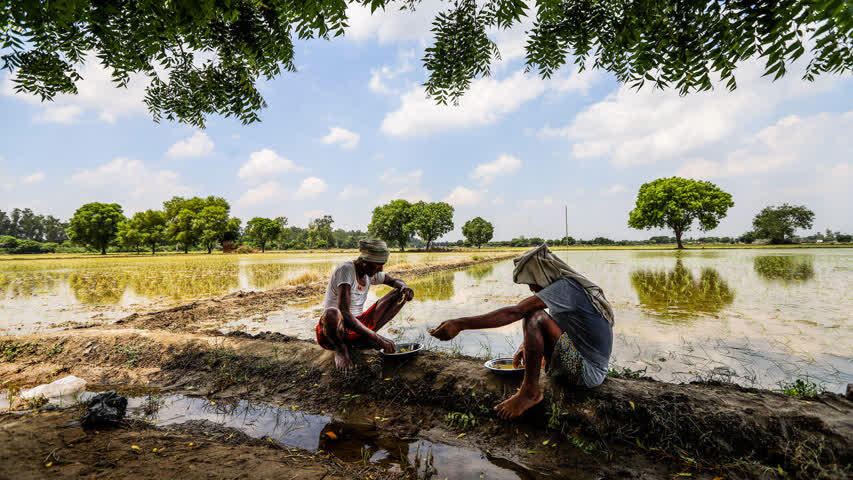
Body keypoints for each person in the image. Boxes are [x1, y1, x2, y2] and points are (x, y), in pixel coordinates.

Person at [429, 244, 614, 419]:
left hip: (588, 373)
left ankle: (530, 392)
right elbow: (560, 327)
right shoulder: (566, 290)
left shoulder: (566, 288)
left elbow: (516, 311)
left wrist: (460, 324)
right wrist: (525, 346)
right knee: (537, 317)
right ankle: (530, 388)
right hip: (582, 365)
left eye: (532, 283)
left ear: (543, 275)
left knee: (534, 316)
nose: (532, 289)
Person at [316, 239, 415, 371]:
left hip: (356, 328)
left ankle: (364, 341)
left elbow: (396, 281)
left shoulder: (370, 273)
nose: (381, 269)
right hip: (334, 331)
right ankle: (340, 349)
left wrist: (404, 287)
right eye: (378, 265)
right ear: (364, 262)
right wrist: (378, 339)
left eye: (382, 265)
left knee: (399, 294)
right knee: (332, 313)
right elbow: (344, 313)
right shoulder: (346, 270)